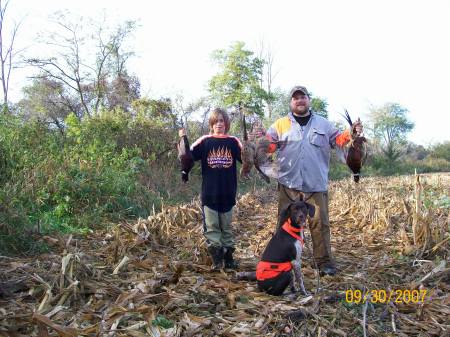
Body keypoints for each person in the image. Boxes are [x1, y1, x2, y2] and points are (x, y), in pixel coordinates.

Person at [263, 85, 363, 276]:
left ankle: (324, 262)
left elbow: (340, 141)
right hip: (288, 184)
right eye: (295, 98)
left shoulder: (324, 124)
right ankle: (282, 261)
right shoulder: (280, 124)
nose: (299, 100)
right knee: (284, 224)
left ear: (309, 100)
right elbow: (268, 146)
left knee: (319, 224)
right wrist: (258, 140)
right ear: (291, 102)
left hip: (315, 184)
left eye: (303, 97)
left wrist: (353, 132)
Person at [179, 108, 242, 271]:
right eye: (216, 121)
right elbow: (188, 157)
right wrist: (182, 141)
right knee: (212, 227)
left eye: (222, 121)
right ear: (211, 124)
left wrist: (257, 144)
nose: (219, 124)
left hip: (228, 193)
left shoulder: (233, 142)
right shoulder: (205, 141)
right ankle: (217, 261)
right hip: (210, 194)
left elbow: (247, 157)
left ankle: (229, 260)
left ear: (226, 124)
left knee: (226, 228)